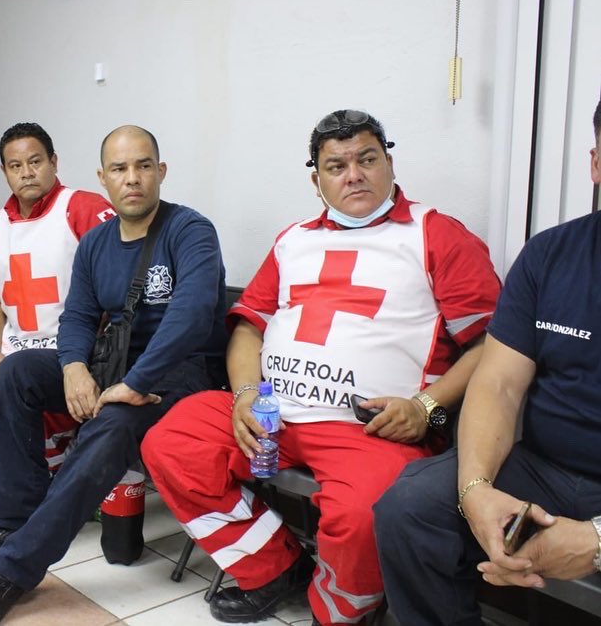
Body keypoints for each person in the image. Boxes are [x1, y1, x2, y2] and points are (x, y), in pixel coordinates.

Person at [141, 110, 501, 626]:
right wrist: (245, 393)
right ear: (317, 181)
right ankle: (274, 569)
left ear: (389, 163)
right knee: (171, 443)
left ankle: (341, 612)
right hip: (272, 414)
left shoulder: (436, 235)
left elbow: (492, 344)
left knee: (363, 515)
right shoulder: (294, 239)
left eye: (367, 159)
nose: (354, 174)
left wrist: (426, 407)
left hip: (368, 426)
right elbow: (249, 327)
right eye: (336, 166)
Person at [0, 125, 228, 625]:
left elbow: (191, 317)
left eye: (143, 166)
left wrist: (137, 383)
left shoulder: (191, 230)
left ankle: (15, 569)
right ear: (103, 179)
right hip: (114, 365)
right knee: (17, 371)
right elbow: (77, 316)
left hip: (180, 375)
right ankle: (13, 524)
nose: (133, 178)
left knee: (114, 420)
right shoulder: (98, 242)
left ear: (160, 172)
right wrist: (75, 368)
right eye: (119, 169)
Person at [374, 99, 601, 625]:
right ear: (595, 164)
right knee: (410, 509)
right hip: (545, 468)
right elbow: (497, 384)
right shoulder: (550, 256)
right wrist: (476, 491)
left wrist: (594, 540)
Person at [0, 122, 114, 489]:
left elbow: (114, 287)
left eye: (35, 162)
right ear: (4, 172)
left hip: (77, 345)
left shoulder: (84, 208)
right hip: (19, 339)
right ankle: (24, 455)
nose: (27, 173)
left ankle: (47, 457)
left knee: (23, 372)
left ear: (53, 162)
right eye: (15, 166)